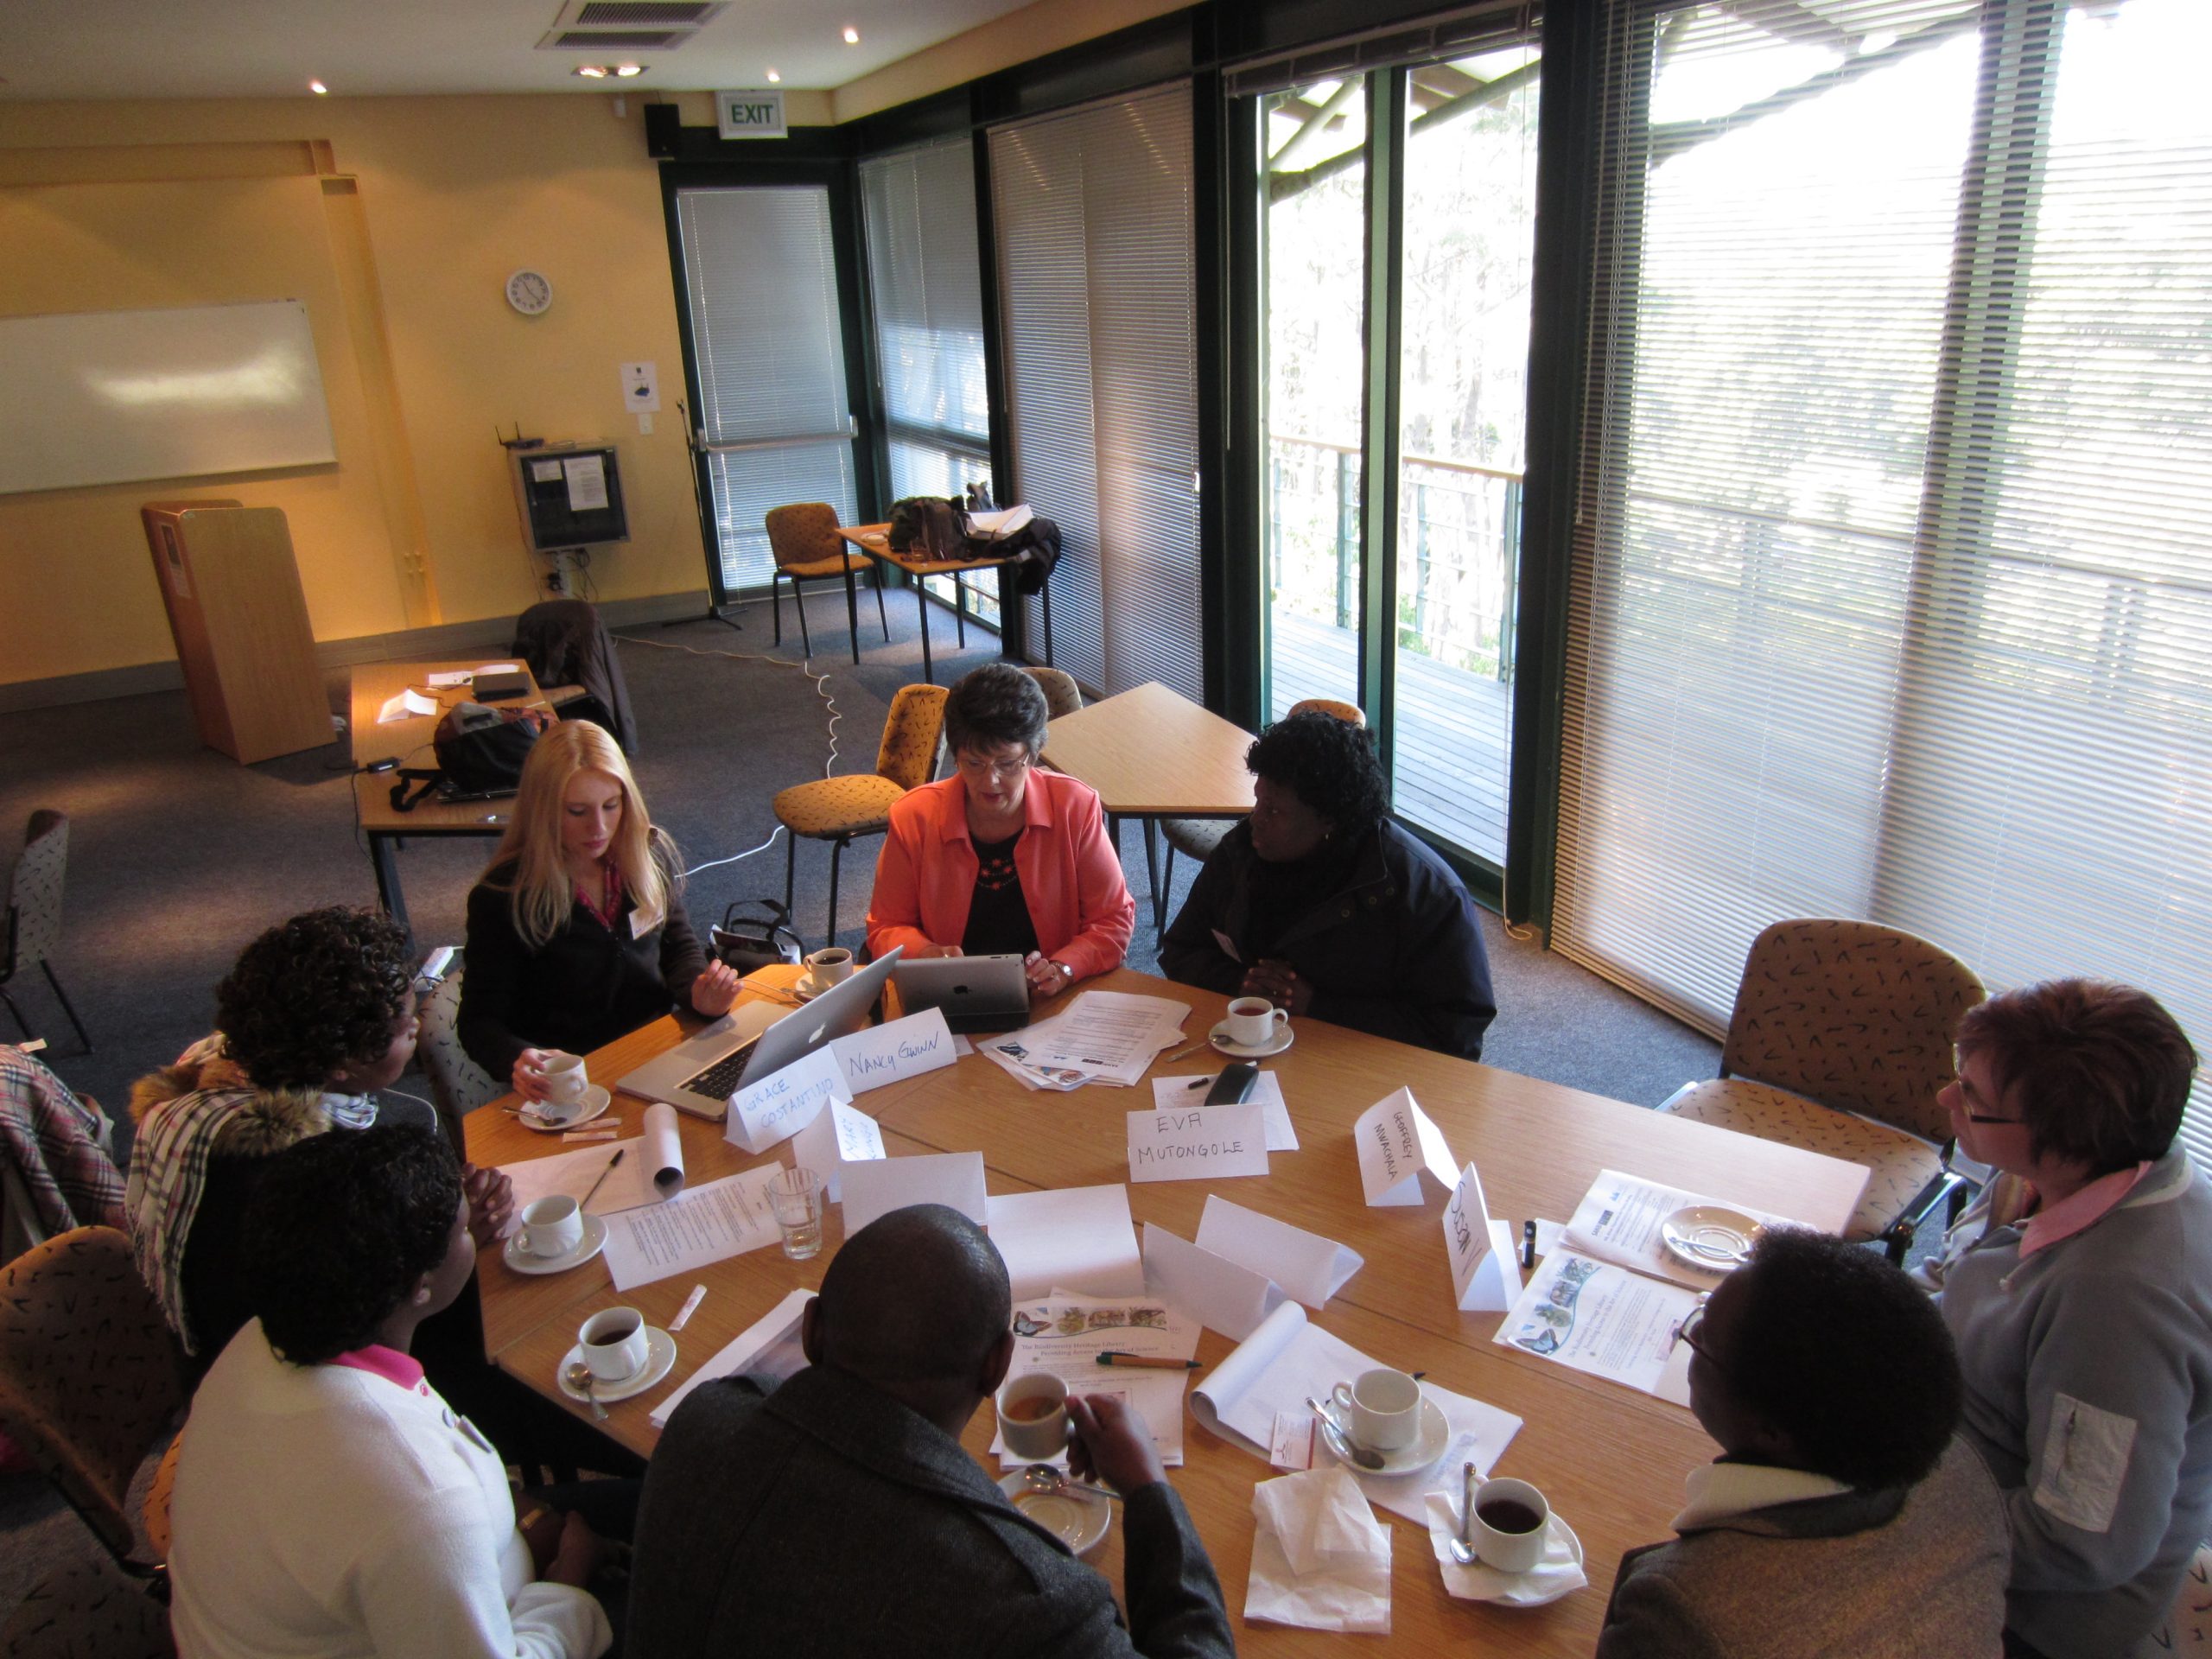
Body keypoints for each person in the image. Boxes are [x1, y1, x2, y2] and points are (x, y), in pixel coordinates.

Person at [626, 1204, 1233, 1659]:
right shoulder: (1028, 1602)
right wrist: (1151, 1496)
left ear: (811, 1331)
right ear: (998, 1366)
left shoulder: (703, 1420)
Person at [168, 1126, 614, 1659]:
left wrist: (525, 1520)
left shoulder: (263, 1339)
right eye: (463, 1229)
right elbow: (421, 1508)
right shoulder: (418, 1493)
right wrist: (569, 1584)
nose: (473, 1232)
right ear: (417, 1284)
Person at [1933, 980, 2211, 1659]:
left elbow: (2080, 1542)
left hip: (2028, 1612)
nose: (1947, 1101)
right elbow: (1959, 1277)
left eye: (1973, 1099)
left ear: (2061, 1143)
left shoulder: (2119, 1305)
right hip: (1959, 1450)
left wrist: (1884, 1520)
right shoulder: (2076, 1169)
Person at [127, 906, 513, 1368]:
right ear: (340, 1065)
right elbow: (374, 1317)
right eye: (403, 1026)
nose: (418, 1027)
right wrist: (446, 1236)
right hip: (291, 1370)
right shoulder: (304, 1180)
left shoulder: (213, 1082)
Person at [1597, 1228, 2009, 1658]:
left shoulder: (1685, 1612)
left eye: (1704, 1339)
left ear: (1773, 1432)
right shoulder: (1964, 1469)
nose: (1693, 1338)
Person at [1160, 710, 1497, 1059]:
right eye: (1258, 799)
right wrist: (1243, 985)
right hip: (1257, 1050)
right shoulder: (1242, 850)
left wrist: (1319, 1006)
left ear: (1329, 820)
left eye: (1274, 811)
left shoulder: (1426, 895)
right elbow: (1181, 949)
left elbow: (1456, 1034)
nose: (1255, 819)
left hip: (1363, 1068)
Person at [460, 719, 739, 1102]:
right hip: (574, 1082)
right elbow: (479, 1022)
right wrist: (516, 1057)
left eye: (611, 805)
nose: (600, 827)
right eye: (577, 811)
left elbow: (677, 948)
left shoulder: (646, 855)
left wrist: (698, 993)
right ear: (543, 810)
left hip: (656, 1053)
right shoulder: (504, 897)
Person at [866, 664, 1135, 1001]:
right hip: (950, 995)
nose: (989, 782)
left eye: (1007, 764)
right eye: (974, 763)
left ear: (1033, 755)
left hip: (1049, 996)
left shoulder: (1074, 806)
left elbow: (1112, 920)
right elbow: (885, 927)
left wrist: (1066, 967)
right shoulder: (914, 816)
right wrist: (923, 953)